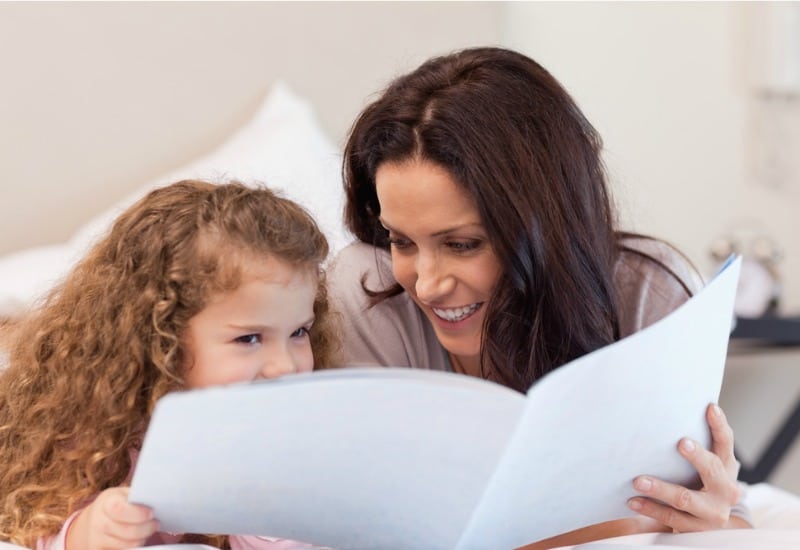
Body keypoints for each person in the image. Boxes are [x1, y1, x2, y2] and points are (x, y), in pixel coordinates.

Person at [327, 46, 751, 545]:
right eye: (401, 241)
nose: (426, 283)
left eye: (462, 244)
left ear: (546, 228)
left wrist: (714, 513)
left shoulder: (649, 293)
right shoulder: (367, 291)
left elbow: (705, 512)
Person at [0, 180, 338, 549]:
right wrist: (88, 532)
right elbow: (33, 528)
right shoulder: (100, 425)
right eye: (249, 339)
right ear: (161, 337)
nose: (285, 366)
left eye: (300, 332)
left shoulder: (292, 427)